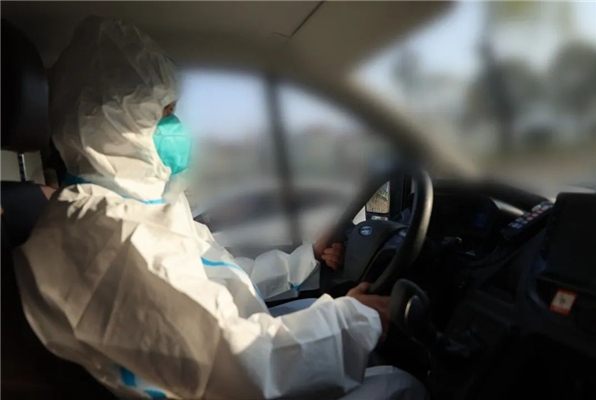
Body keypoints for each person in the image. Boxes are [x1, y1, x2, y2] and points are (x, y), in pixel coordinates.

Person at [14, 16, 427, 399]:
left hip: (231, 361)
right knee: (400, 385)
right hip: (229, 378)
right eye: (164, 113)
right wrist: (359, 320)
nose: (178, 126)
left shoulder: (132, 205)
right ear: (116, 125)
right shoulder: (108, 235)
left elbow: (216, 278)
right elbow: (236, 366)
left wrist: (305, 262)